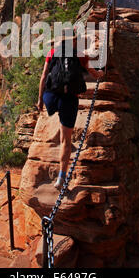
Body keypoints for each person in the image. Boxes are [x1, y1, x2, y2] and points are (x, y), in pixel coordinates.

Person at [37, 33, 105, 189]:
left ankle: (51, 109)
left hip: (52, 97)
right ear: (73, 41)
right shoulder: (80, 54)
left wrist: (40, 99)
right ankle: (61, 177)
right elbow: (95, 74)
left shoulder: (52, 52)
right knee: (65, 141)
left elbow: (44, 76)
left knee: (54, 109)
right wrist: (102, 73)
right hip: (70, 99)